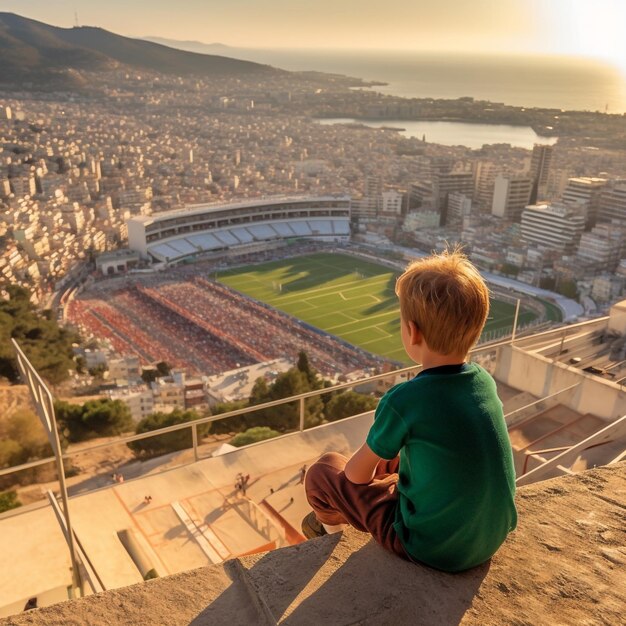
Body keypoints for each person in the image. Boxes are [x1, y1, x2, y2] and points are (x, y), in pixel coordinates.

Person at [302, 248, 517, 573]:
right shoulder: (484, 381)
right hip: (489, 538)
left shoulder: (405, 399)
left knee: (324, 470)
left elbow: (355, 476)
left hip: (431, 547)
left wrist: (365, 480)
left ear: (412, 332)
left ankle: (328, 526)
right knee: (400, 458)